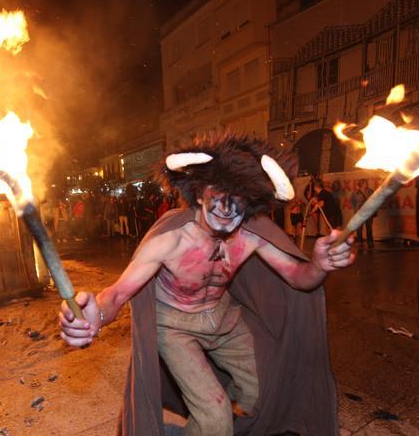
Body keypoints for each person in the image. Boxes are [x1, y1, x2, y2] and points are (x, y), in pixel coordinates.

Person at [60, 133, 355, 436]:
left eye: (237, 198)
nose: (227, 208)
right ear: (200, 193)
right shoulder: (171, 240)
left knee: (258, 392)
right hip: (175, 326)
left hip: (223, 318)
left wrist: (320, 264)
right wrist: (95, 315)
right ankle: (212, 424)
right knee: (215, 415)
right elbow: (118, 293)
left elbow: (299, 278)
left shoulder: (251, 236)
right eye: (218, 194)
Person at [349, 179, 375, 249]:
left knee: (369, 228)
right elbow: (351, 201)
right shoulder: (355, 192)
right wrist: (355, 209)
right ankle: (360, 242)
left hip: (368, 212)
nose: (366, 184)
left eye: (366, 183)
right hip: (359, 213)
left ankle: (370, 242)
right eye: (364, 183)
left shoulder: (370, 191)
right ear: (361, 184)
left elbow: (374, 200)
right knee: (359, 229)